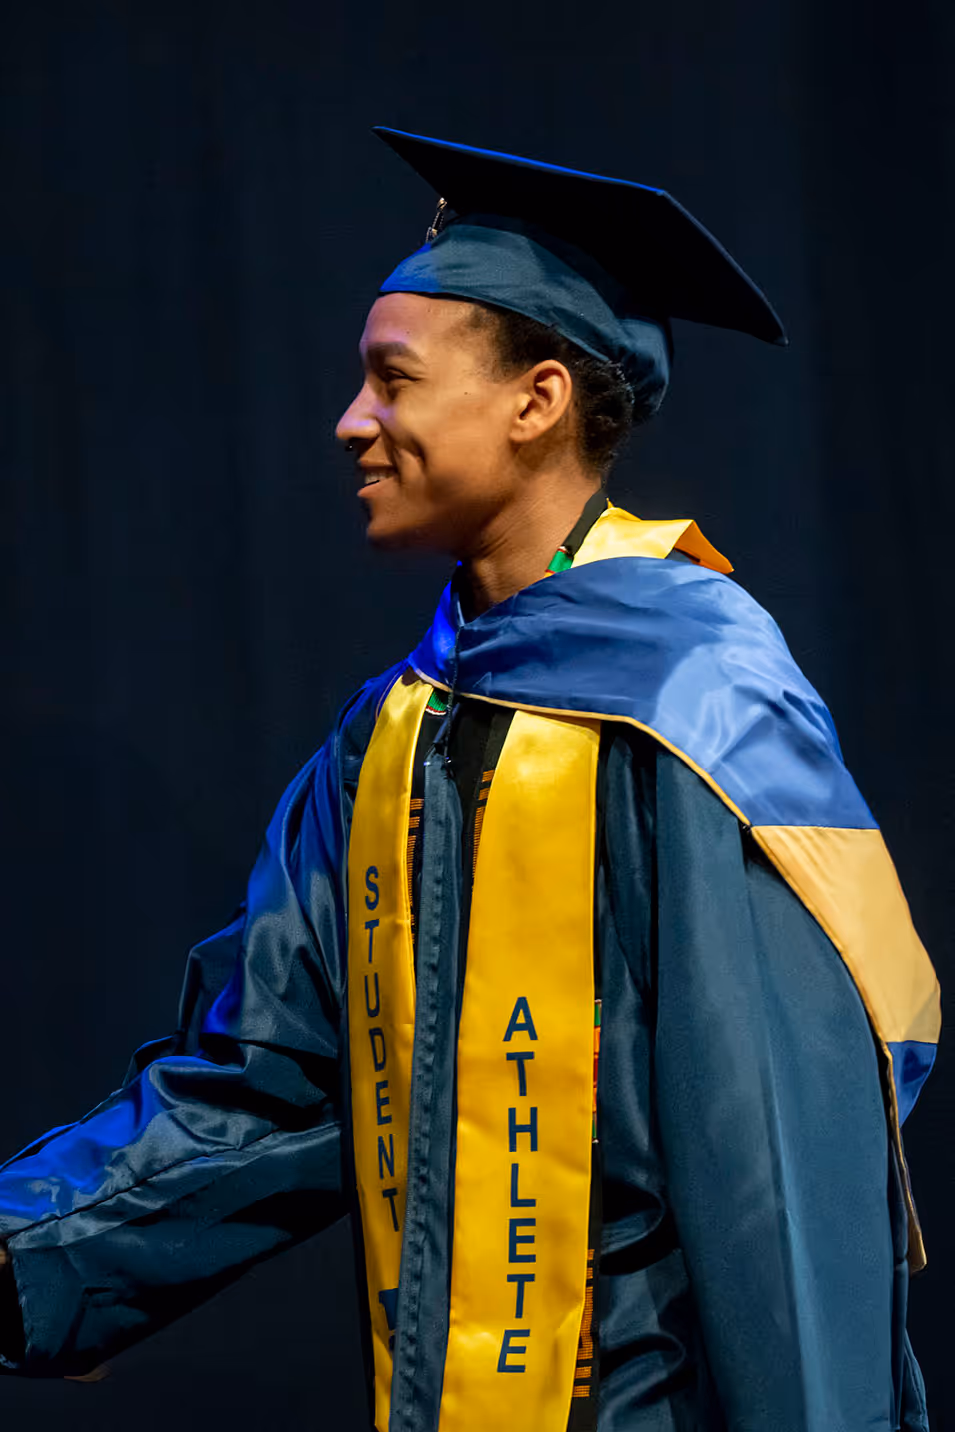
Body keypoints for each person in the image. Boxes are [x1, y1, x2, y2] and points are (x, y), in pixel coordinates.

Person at [0, 127, 939, 1432]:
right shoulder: (391, 737)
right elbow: (270, 1080)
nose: (350, 423)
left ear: (535, 400)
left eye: (391, 381)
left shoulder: (695, 708)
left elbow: (772, 1157)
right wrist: (26, 1253)